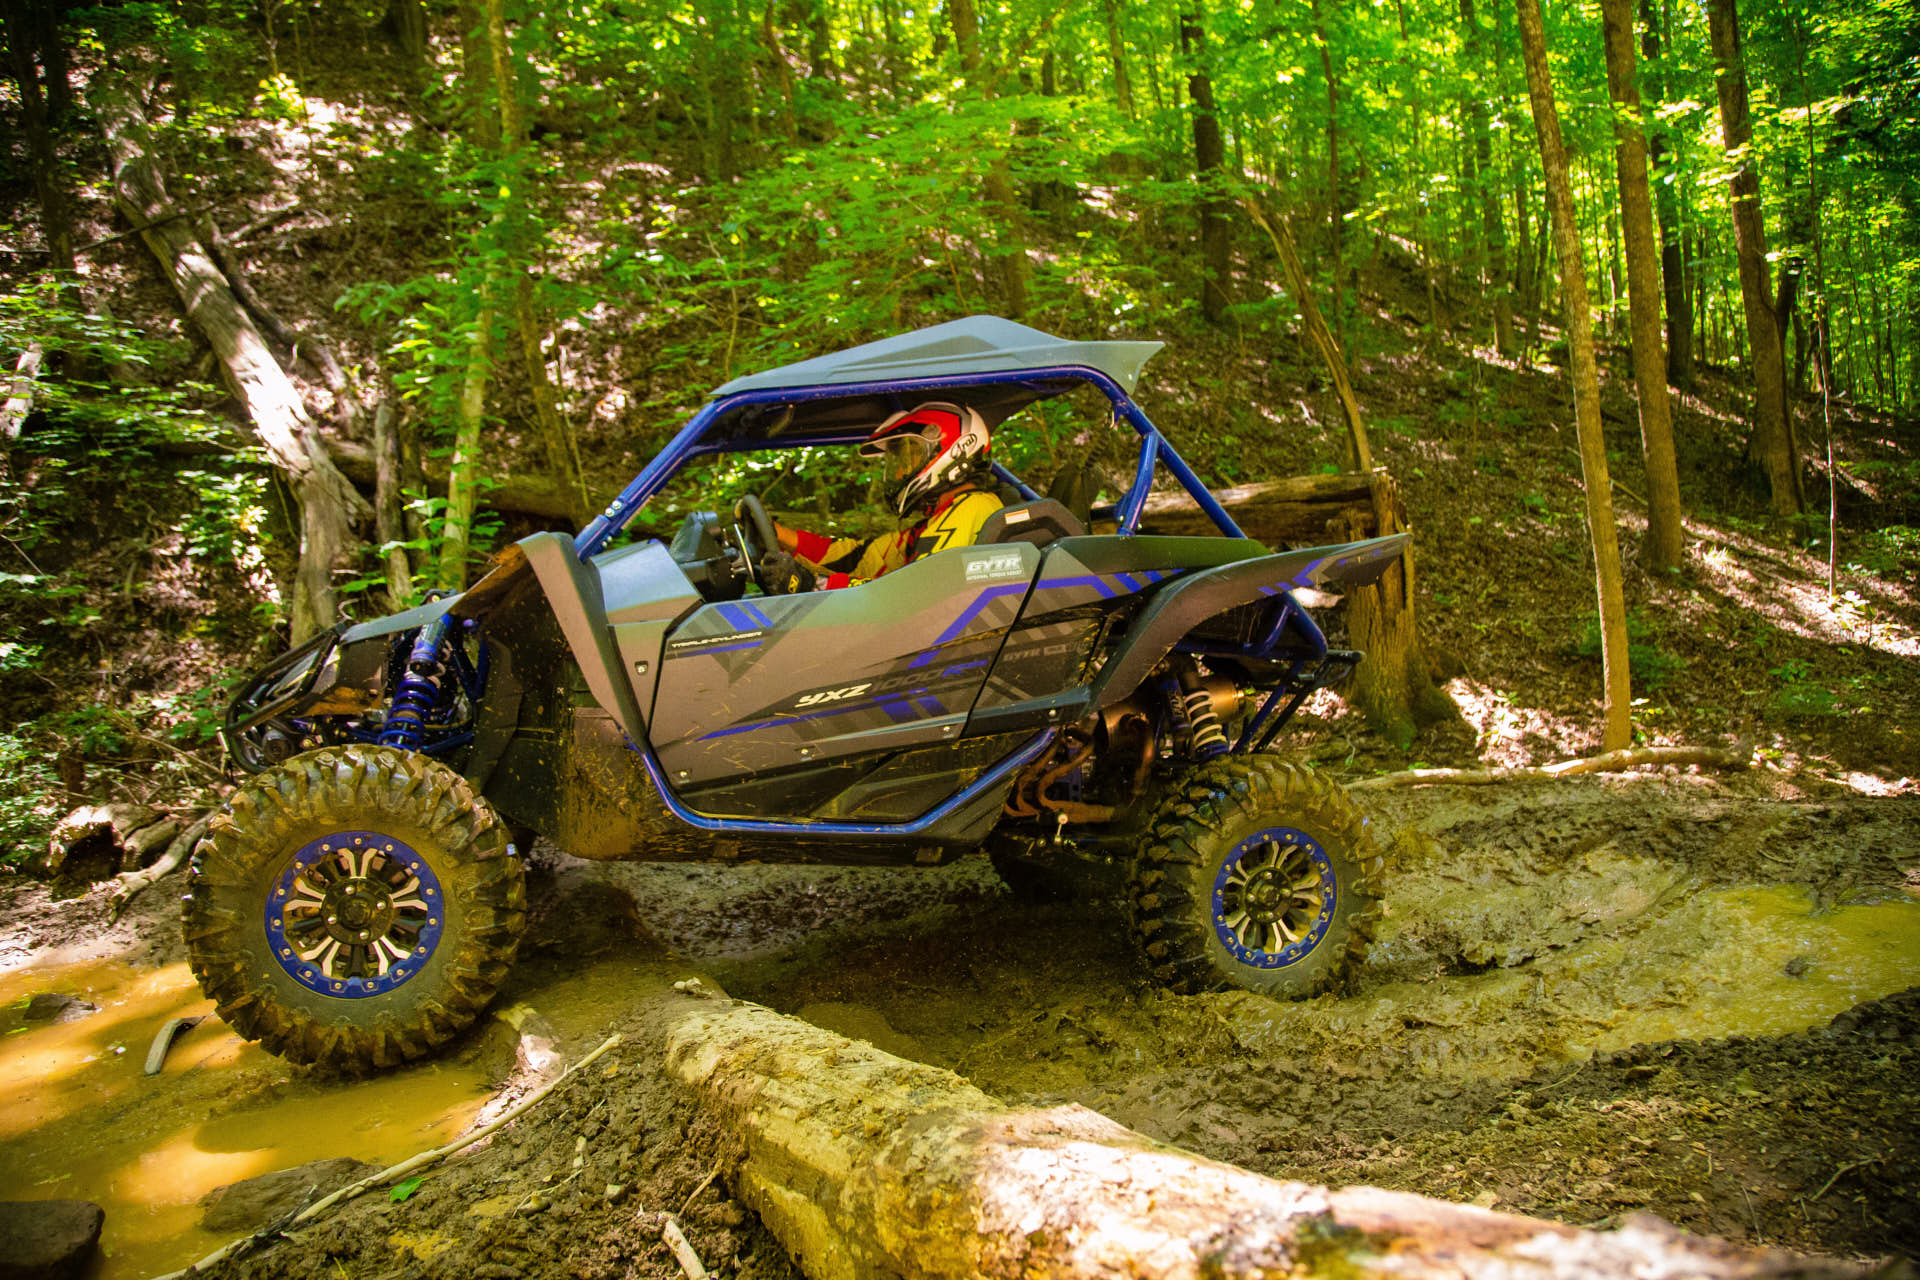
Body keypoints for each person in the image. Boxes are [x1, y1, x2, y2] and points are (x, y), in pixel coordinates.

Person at [759, 401, 1003, 592]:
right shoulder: (940, 519)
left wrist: (812, 584)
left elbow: (916, 594)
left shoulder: (973, 508)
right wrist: (780, 536)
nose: (898, 472)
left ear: (957, 449)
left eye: (909, 459)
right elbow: (859, 560)